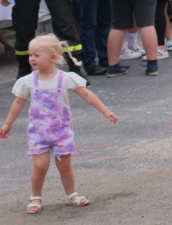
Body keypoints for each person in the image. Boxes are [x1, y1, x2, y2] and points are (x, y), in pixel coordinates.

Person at [0, 33, 117, 214]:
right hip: (38, 133)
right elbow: (18, 103)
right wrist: (8, 123)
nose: (32, 59)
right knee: (40, 166)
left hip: (62, 132)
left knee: (64, 166)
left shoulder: (65, 78)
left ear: (53, 57)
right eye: (30, 55)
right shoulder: (28, 81)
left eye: (37, 55)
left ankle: (72, 194)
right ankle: (35, 197)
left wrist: (105, 110)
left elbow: (86, 94)